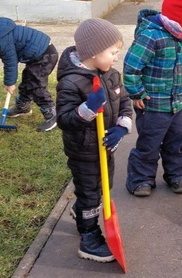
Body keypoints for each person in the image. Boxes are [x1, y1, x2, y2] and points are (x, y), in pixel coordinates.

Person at [56, 18, 133, 262]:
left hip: (105, 147)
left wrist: (122, 126)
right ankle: (88, 238)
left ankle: (81, 211)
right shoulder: (71, 82)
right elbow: (65, 120)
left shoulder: (111, 75)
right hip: (84, 151)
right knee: (90, 196)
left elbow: (125, 102)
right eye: (113, 52)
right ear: (94, 53)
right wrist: (88, 108)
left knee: (103, 188)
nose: (116, 57)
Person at [123, 0, 182, 197]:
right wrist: (136, 92)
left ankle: (177, 175)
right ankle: (141, 179)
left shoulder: (181, 37)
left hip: (177, 103)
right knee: (149, 143)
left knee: (178, 141)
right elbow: (131, 66)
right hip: (153, 104)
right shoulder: (150, 36)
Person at [0, 17, 58, 132]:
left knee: (35, 85)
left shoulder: (0, 40)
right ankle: (23, 107)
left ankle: (51, 112)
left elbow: (10, 61)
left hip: (45, 54)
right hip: (39, 54)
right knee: (27, 80)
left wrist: (10, 83)